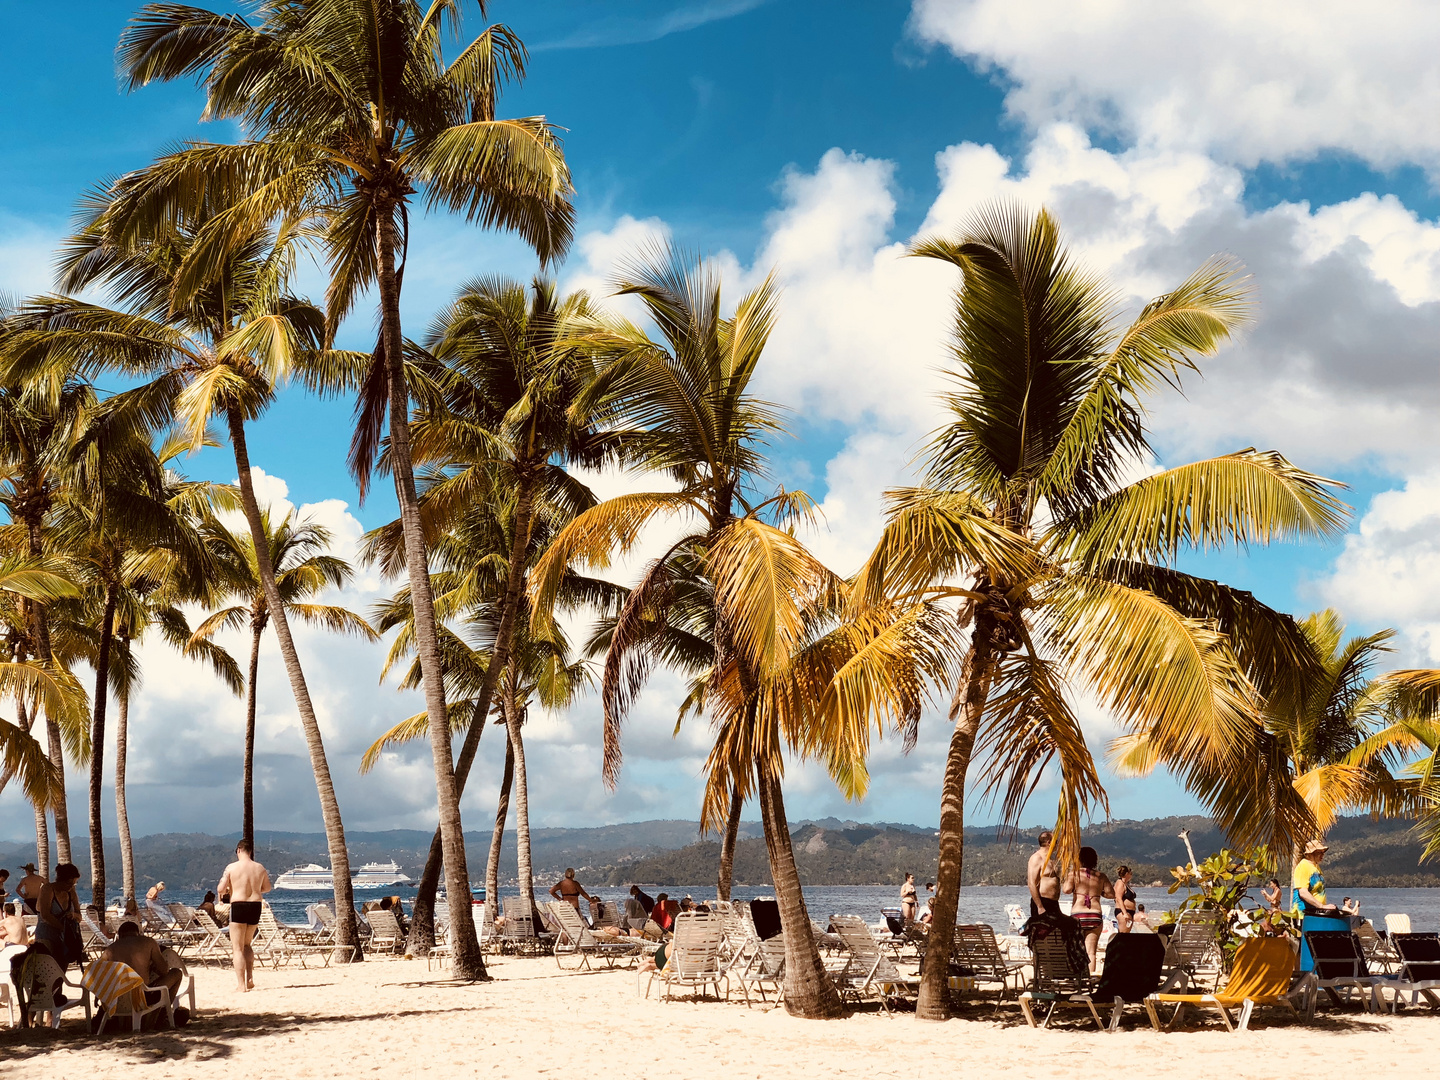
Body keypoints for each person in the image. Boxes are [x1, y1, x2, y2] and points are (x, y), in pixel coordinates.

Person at [97, 921, 187, 1029]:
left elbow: (100, 977)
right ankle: (162, 1017)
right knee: (176, 973)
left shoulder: (109, 950)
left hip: (116, 999)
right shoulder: (148, 942)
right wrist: (150, 965)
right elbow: (164, 970)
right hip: (142, 997)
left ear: (119, 935)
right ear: (138, 933)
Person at [217, 838, 272, 992]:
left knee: (237, 948)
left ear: (239, 850)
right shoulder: (259, 867)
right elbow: (267, 888)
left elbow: (221, 889)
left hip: (239, 905)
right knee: (247, 944)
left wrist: (229, 886)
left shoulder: (231, 867)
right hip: (255, 905)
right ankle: (249, 979)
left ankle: (241, 985)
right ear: (250, 851)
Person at [1063, 846, 1113, 974]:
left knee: (1076, 951)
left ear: (1079, 859)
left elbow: (1066, 890)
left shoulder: (1073, 874)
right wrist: (1098, 892)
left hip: (1078, 915)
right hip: (1095, 915)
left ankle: (1078, 979)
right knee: (1091, 952)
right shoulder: (1101, 876)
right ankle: (1088, 980)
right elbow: (1111, 894)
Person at [35, 863, 81, 964]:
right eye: (69, 883)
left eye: (73, 884)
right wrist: (64, 929)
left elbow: (79, 915)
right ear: (60, 880)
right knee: (47, 970)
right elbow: (45, 915)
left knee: (61, 971)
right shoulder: (48, 889)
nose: (71, 886)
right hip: (47, 936)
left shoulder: (71, 891)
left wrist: (74, 915)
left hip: (64, 939)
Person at [1292, 838, 1338, 916]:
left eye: (1323, 852)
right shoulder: (1303, 866)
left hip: (1315, 913)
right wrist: (1321, 906)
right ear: (1310, 854)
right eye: (1319, 852)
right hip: (1303, 914)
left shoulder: (1316, 867)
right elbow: (1303, 892)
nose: (1322, 855)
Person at [1027, 830, 1061, 918]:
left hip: (1054, 903)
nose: (1057, 844)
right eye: (1056, 841)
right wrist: (1040, 906)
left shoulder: (1052, 859)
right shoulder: (1037, 858)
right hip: (1043, 902)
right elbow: (1031, 883)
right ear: (1049, 842)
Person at [1113, 865, 1137, 932]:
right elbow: (1118, 898)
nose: (1131, 876)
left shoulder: (1126, 884)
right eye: (1130, 874)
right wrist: (1125, 913)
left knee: (1127, 934)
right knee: (1123, 934)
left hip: (1130, 911)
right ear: (1126, 874)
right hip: (1123, 911)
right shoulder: (1120, 883)